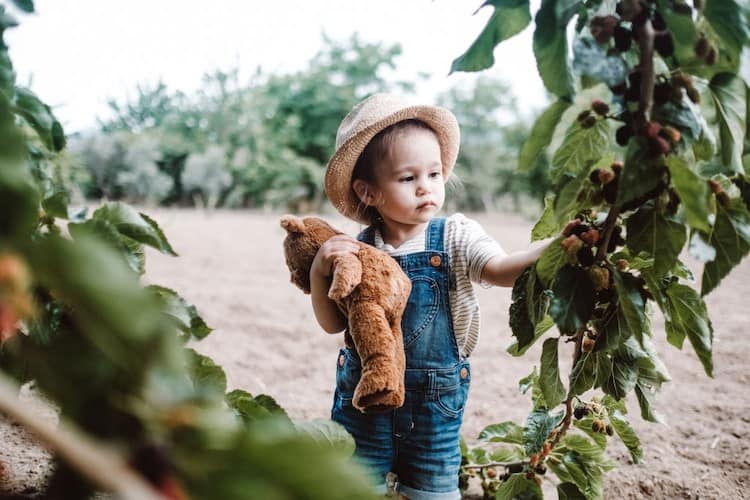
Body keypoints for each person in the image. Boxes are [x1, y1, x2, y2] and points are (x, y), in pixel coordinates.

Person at [310, 93, 548, 499]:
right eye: (408, 179)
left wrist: (557, 249)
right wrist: (320, 270)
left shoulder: (455, 236)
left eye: (434, 174)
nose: (426, 188)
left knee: (433, 490)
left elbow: (501, 270)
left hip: (434, 404)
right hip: (364, 400)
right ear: (368, 192)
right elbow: (334, 323)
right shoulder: (358, 250)